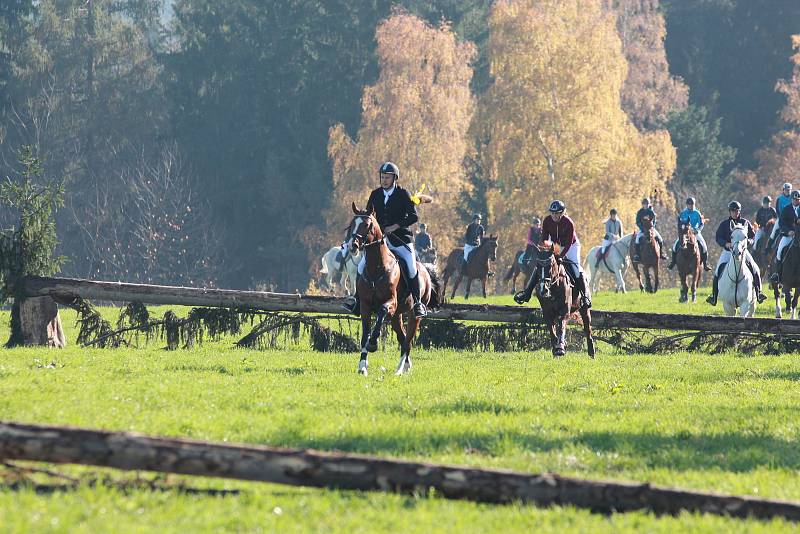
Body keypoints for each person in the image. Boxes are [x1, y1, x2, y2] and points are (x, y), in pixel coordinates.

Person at [342, 161, 427, 317]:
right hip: (381, 241)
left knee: (411, 265)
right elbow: (369, 215)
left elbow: (414, 216)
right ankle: (356, 299)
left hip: (401, 239)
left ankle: (417, 302)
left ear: (394, 178)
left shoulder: (403, 194)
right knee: (362, 266)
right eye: (382, 177)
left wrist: (395, 226)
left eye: (387, 177)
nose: (384, 180)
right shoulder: (375, 194)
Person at [514, 200, 591, 308]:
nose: (554, 215)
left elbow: (568, 243)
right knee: (541, 265)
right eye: (552, 213)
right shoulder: (547, 221)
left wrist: (561, 256)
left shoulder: (568, 222)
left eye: (557, 213)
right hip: (555, 246)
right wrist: (543, 251)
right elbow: (544, 238)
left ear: (562, 213)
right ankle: (527, 293)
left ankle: (585, 296)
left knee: (576, 268)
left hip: (571, 246)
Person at [706, 201, 767, 306]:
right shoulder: (724, 224)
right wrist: (725, 243)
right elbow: (718, 237)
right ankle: (714, 296)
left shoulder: (745, 223)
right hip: (728, 251)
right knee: (718, 270)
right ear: (730, 212)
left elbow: (752, 237)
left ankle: (759, 293)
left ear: (739, 211)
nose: (735, 213)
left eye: (737, 211)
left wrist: (748, 242)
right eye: (733, 211)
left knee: (755, 268)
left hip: (743, 251)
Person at [667, 197, 711, 271]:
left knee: (704, 247)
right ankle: (673, 262)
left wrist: (697, 230)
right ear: (687, 205)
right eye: (689, 204)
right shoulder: (683, 213)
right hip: (685, 233)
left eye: (692, 204)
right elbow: (680, 223)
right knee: (675, 246)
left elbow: (701, 224)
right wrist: (682, 230)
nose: (691, 206)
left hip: (695, 233)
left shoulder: (697, 213)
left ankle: (705, 263)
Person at [770, 190, 800, 284]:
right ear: (791, 199)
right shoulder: (786, 209)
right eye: (795, 199)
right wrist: (788, 231)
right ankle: (778, 274)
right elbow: (782, 223)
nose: (796, 201)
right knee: (779, 252)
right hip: (788, 236)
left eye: (798, 199)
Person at [633, 197, 667, 261]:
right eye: (644, 204)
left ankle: (661, 253)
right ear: (642, 204)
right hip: (643, 229)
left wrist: (652, 228)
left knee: (660, 239)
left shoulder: (651, 212)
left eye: (647, 204)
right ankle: (637, 255)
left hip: (651, 229)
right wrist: (642, 228)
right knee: (637, 239)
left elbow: (654, 221)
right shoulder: (640, 212)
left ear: (648, 204)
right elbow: (637, 222)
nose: (646, 205)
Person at [767, 183, 793, 250]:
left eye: (789, 190)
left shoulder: (793, 198)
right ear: (783, 190)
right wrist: (782, 219)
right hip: (781, 219)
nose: (788, 191)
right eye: (786, 190)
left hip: (792, 219)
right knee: (774, 232)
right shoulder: (779, 199)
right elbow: (778, 210)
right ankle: (768, 248)